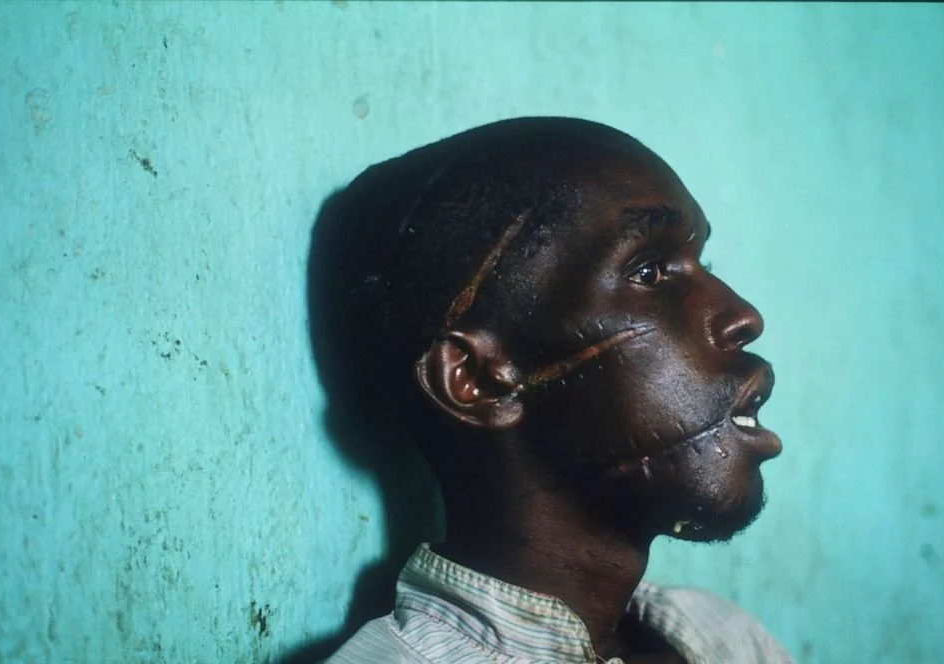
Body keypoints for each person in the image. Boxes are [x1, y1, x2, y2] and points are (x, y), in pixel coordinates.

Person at [316, 117, 792, 663]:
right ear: (477, 379)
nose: (742, 315)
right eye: (649, 272)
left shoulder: (728, 640)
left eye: (702, 263)